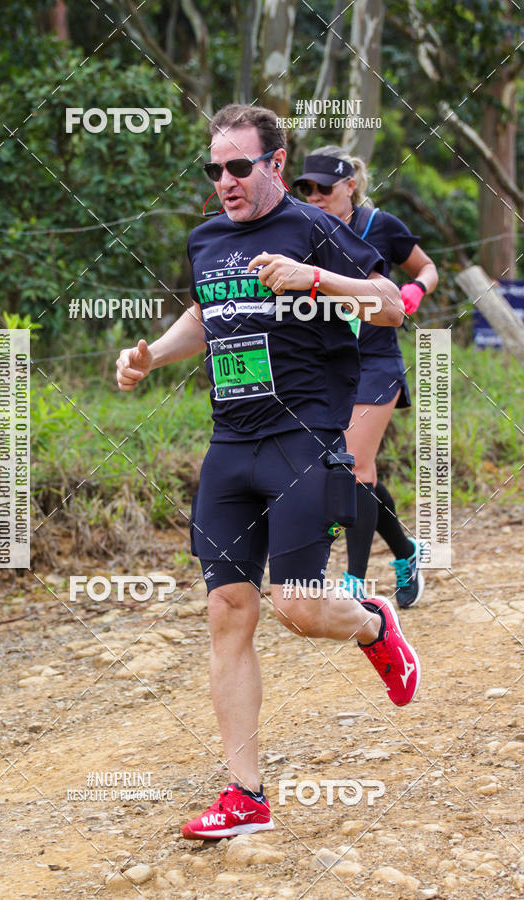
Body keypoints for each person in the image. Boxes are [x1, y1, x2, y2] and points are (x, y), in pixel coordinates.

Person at [117, 105, 420, 841]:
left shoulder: (312, 227)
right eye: (214, 168)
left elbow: (388, 306)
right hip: (230, 444)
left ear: (275, 164)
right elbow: (207, 314)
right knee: (227, 611)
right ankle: (245, 795)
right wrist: (152, 356)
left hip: (302, 438)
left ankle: (374, 623)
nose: (224, 180)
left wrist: (312, 277)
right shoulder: (207, 239)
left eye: (238, 166)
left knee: (298, 607)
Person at [293, 148, 439, 609]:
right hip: (328, 365)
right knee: (353, 471)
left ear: (350, 185)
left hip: (376, 361)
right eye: (306, 188)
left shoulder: (381, 226)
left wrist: (415, 289)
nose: (315, 196)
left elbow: (427, 267)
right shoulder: (304, 229)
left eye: (324, 188)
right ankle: (407, 550)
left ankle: (354, 583)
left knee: (355, 467)